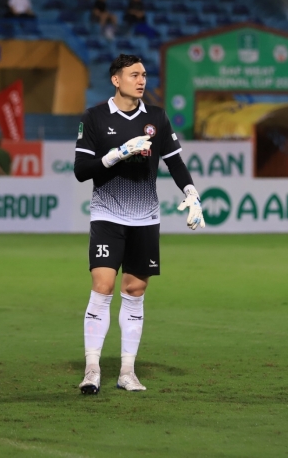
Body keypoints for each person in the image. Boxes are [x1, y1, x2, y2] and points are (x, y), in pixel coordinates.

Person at [74, 54, 205, 395]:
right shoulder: (94, 117)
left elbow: (175, 162)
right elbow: (81, 171)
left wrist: (191, 193)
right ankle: (91, 369)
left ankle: (127, 372)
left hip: (145, 218)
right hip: (107, 215)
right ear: (116, 80)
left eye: (144, 74)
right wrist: (116, 154)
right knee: (103, 285)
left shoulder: (156, 117)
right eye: (134, 74)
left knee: (134, 291)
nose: (141, 80)